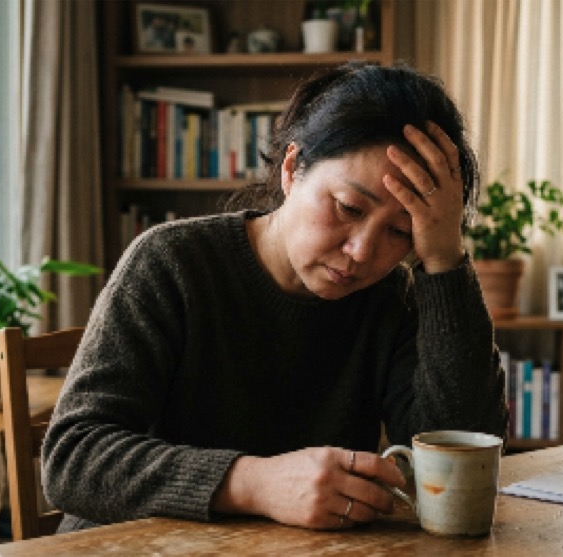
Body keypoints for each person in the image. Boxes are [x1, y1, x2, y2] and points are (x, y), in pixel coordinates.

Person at [42, 62, 509, 533]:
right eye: (348, 207)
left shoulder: (392, 298)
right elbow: (72, 458)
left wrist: (445, 259)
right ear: (291, 168)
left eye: (399, 231)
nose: (362, 252)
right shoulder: (171, 263)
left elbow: (460, 457)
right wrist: (255, 483)